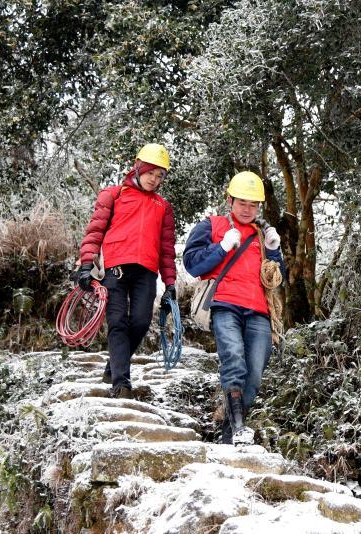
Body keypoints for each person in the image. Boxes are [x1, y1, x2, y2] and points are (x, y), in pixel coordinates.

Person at [183, 171, 283, 444]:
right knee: (234, 361)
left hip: (259, 310)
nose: (248, 209)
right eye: (242, 203)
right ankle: (239, 430)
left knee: (254, 374)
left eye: (253, 204)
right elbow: (192, 264)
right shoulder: (211, 225)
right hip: (225, 304)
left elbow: (276, 278)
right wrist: (223, 246)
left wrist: (274, 251)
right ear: (229, 199)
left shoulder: (263, 234)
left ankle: (230, 435)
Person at [77, 143, 177, 399]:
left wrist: (170, 282)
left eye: (160, 176)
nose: (154, 180)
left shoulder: (163, 207)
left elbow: (166, 248)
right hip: (116, 270)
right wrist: (86, 264)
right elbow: (95, 232)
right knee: (118, 322)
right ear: (138, 168)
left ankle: (114, 364)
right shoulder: (113, 194)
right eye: (150, 173)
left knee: (141, 322)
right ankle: (121, 384)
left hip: (146, 272)